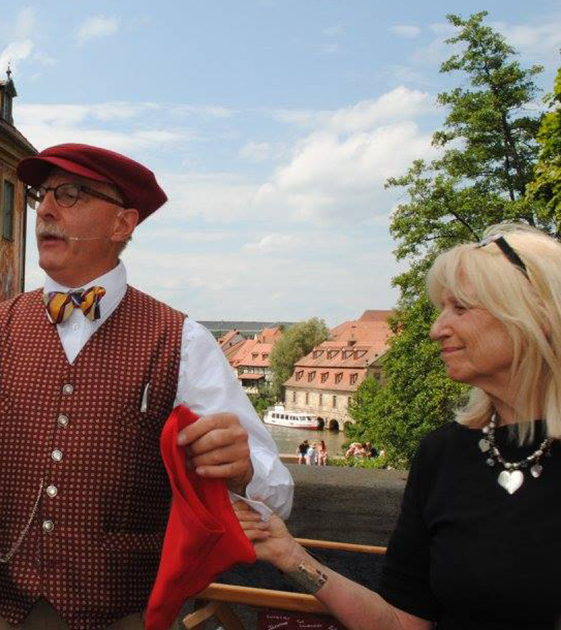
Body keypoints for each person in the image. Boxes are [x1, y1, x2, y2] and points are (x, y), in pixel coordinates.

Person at [0, 143, 293, 629]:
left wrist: (244, 468)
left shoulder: (181, 340)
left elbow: (277, 494)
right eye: (42, 195)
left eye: (72, 193)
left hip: (121, 614)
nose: (46, 210)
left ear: (122, 224)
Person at [235, 224, 561, 629]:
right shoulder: (444, 454)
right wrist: (291, 557)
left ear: (537, 317)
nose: (436, 329)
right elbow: (402, 623)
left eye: (460, 307)